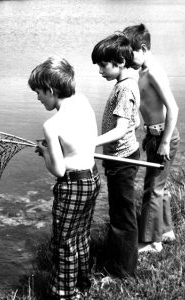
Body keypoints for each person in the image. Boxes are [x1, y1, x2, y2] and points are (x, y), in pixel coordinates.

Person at [28, 56, 101, 300]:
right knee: (81, 236)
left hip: (72, 187)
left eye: (38, 92)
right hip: (92, 179)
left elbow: (58, 170)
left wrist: (46, 152)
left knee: (64, 243)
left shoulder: (52, 125)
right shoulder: (82, 100)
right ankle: (84, 284)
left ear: (50, 90)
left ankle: (64, 294)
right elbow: (83, 144)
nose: (37, 98)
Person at [123, 23, 180, 253]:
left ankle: (150, 242)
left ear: (144, 48)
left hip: (164, 137)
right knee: (160, 186)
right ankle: (165, 231)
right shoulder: (142, 72)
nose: (128, 60)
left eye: (131, 55)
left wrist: (165, 141)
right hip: (154, 136)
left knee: (152, 189)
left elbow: (173, 108)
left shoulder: (154, 71)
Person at [91, 33, 141, 278]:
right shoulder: (127, 83)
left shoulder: (125, 88)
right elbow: (136, 121)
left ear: (120, 61)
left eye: (103, 65)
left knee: (123, 217)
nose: (100, 70)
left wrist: (90, 143)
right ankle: (116, 261)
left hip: (122, 160)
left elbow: (121, 129)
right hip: (121, 156)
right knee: (119, 211)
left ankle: (123, 273)